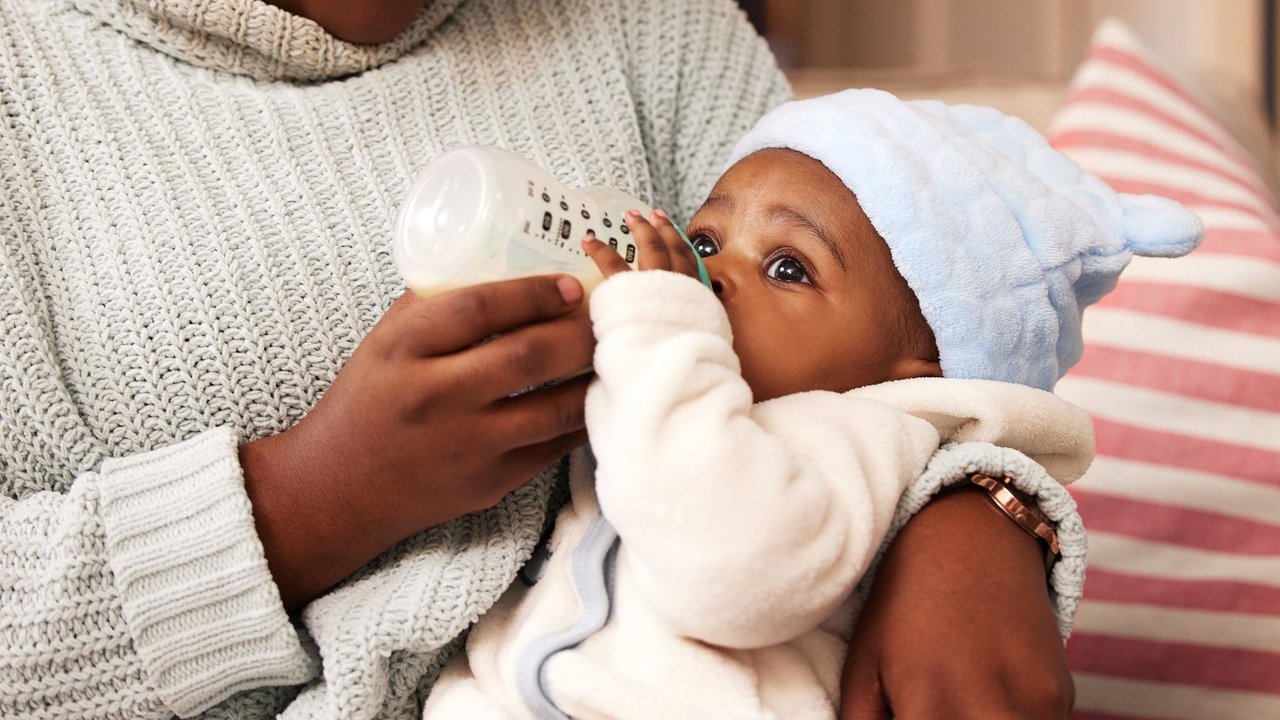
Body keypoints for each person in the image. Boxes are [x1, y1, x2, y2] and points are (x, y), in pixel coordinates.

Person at [0, 1, 1102, 718]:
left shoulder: (651, 24)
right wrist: (307, 499)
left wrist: (976, 512)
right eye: (698, 245)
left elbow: (878, 318)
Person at [419, 89, 1202, 719]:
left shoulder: (854, 435)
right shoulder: (677, 389)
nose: (712, 277)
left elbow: (731, 579)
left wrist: (655, 332)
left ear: (921, 365)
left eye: (788, 268)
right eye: (706, 240)